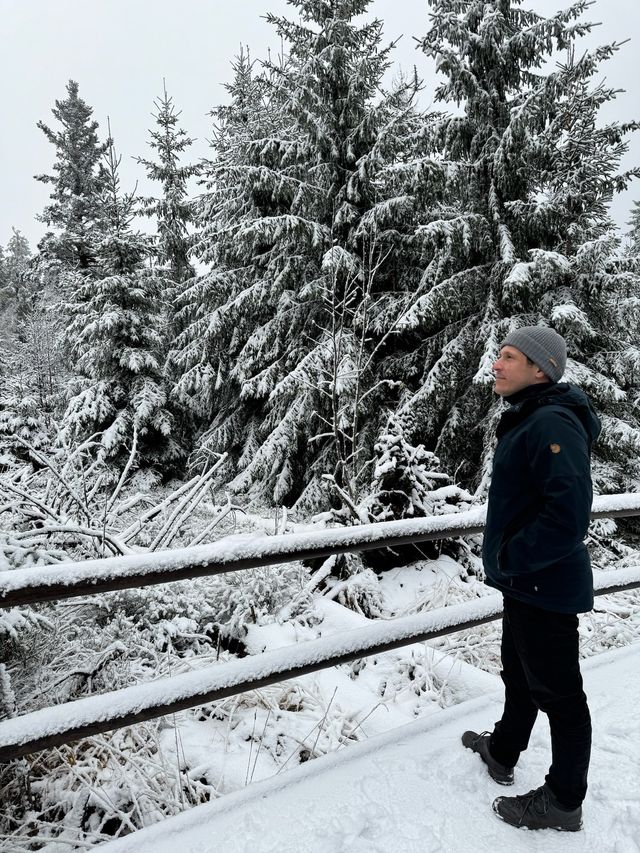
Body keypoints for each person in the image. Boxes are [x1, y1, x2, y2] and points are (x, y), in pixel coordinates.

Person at [462, 325, 601, 832]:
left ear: (540, 369)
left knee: (561, 696)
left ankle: (564, 801)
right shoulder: (531, 417)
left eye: (509, 356)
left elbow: (567, 515)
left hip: (543, 583)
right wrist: (509, 563)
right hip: (526, 583)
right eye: (499, 355)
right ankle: (502, 752)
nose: (496, 364)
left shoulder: (552, 423)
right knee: (518, 674)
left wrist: (511, 555)